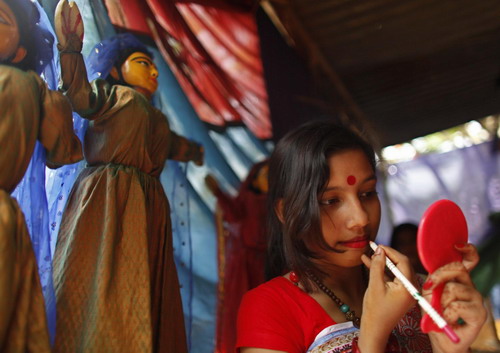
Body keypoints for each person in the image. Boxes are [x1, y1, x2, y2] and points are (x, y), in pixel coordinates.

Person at [236, 121, 486, 353]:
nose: (361, 219)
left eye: (367, 193)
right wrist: (375, 330)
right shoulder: (269, 307)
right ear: (286, 212)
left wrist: (462, 343)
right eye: (331, 201)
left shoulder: (420, 292)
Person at [52, 1, 203, 352]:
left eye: (154, 67)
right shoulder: (113, 96)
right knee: (100, 275)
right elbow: (78, 96)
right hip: (106, 195)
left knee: (145, 282)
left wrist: (195, 152)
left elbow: (173, 146)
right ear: (116, 70)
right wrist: (70, 49)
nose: (154, 73)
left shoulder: (157, 117)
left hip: (149, 203)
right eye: (143, 63)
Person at [0, 0, 83, 351]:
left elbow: (65, 153)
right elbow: (63, 151)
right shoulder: (35, 89)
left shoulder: (27, 87)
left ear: (20, 51)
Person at [206, 160, 269, 353]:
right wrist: (217, 192)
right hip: (245, 264)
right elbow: (233, 215)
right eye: (267, 176)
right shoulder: (247, 198)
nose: (271, 180)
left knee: (266, 310)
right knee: (241, 308)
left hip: (267, 262)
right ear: (255, 180)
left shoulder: (277, 203)